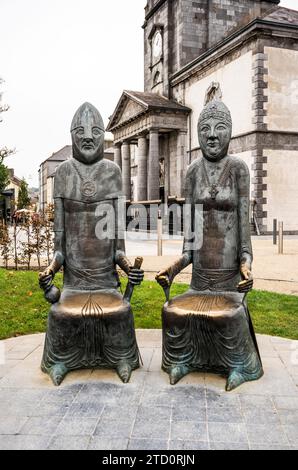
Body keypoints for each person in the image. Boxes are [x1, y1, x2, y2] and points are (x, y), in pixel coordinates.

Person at [156, 100, 263, 391]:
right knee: (174, 310)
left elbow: (244, 240)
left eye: (220, 128)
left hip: (228, 283)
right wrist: (172, 269)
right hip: (199, 281)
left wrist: (246, 267)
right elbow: (189, 248)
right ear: (198, 135)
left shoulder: (238, 169)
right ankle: (183, 360)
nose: (212, 135)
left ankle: (238, 365)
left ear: (230, 131)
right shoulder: (192, 173)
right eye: (205, 129)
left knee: (230, 315)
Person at [39, 102, 144, 386]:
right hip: (74, 284)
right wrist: (50, 272)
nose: (87, 136)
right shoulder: (62, 174)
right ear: (71, 134)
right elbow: (60, 249)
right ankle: (61, 360)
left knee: (120, 310)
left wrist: (128, 269)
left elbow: (118, 248)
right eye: (80, 130)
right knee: (60, 313)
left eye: (96, 130)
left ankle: (121, 358)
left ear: (103, 136)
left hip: (106, 283)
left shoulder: (112, 173)